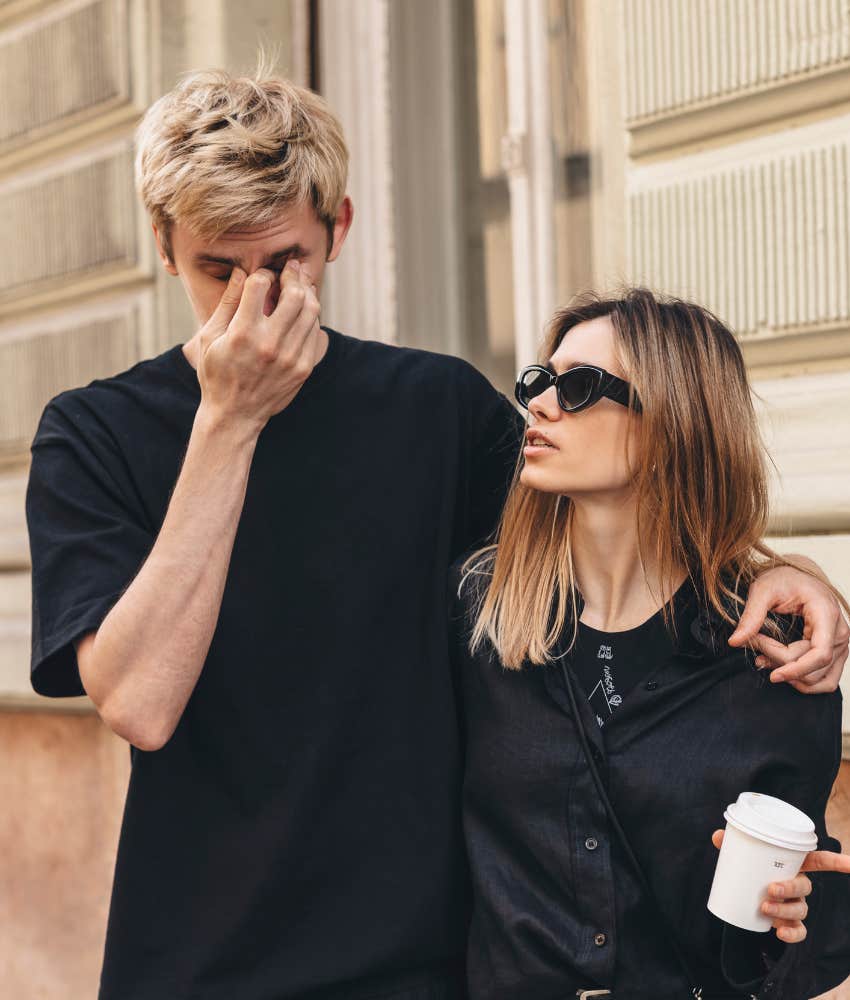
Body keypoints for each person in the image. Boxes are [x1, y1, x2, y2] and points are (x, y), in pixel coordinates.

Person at [24, 68, 848, 1000]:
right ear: (166, 250)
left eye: (285, 263)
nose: (256, 303)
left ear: (337, 230)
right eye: (221, 269)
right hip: (193, 962)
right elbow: (138, 702)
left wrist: (777, 568)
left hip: (421, 962)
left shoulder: (440, 408)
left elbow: (609, 526)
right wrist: (229, 421)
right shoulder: (92, 432)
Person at [451, 290, 850, 999]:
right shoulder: (478, 617)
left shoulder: (769, 653)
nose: (539, 406)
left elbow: (786, 931)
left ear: (673, 422)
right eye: (541, 382)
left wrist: (786, 916)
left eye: (579, 388)